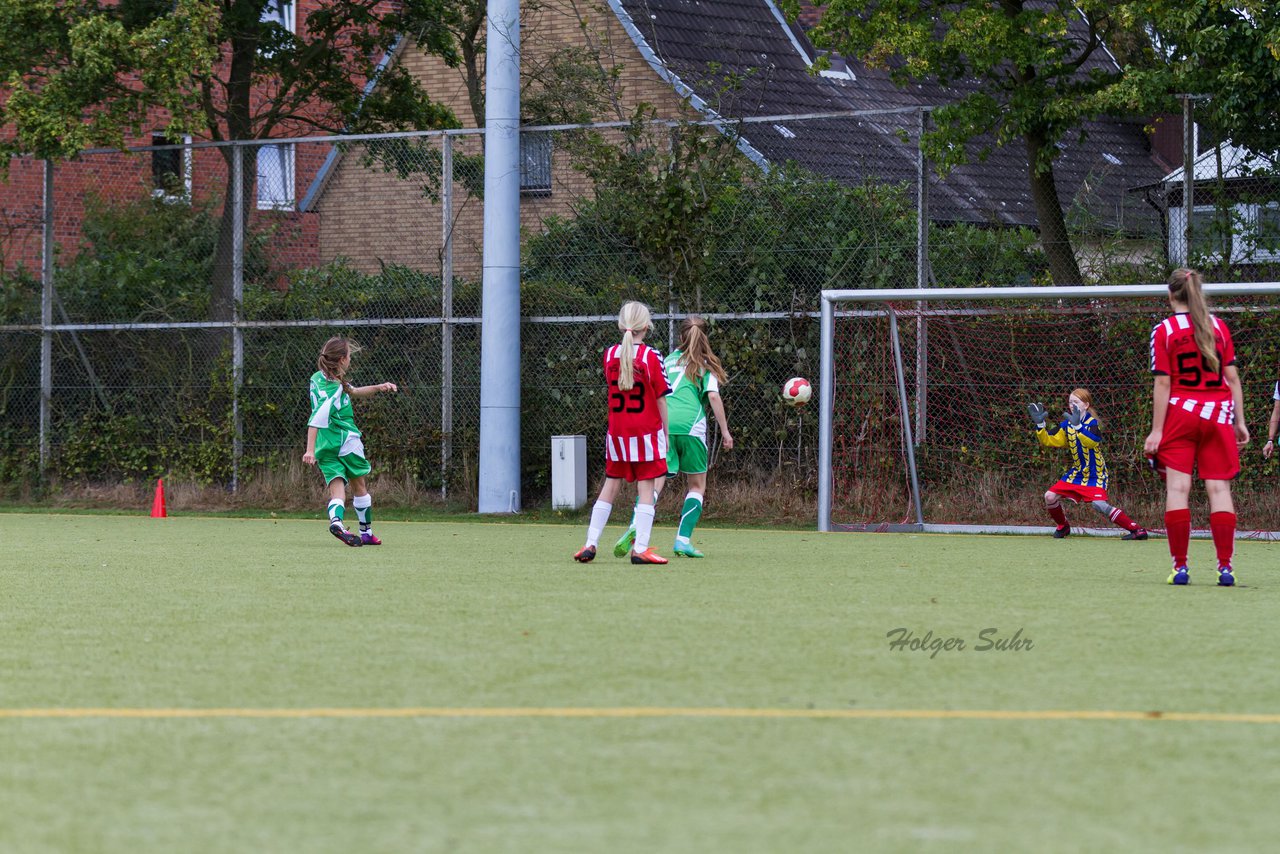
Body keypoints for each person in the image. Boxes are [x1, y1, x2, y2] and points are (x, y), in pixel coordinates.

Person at [1143, 268, 1249, 586]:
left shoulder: (1164, 330)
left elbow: (1163, 383)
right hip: (1218, 415)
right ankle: (1225, 568)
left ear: (1170, 295)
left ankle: (1181, 567)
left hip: (1181, 414)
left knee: (1178, 489)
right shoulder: (1218, 327)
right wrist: (1239, 421)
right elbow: (1232, 379)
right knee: (1219, 490)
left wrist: (1157, 430)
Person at [613, 316, 734, 558]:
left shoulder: (666, 360)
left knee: (655, 483)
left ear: (680, 337)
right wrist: (725, 431)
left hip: (663, 426)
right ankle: (682, 541)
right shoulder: (705, 363)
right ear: (704, 338)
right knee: (697, 486)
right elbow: (712, 396)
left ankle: (636, 524)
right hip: (691, 428)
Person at [573, 301, 672, 565]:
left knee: (610, 485)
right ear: (646, 326)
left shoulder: (609, 355)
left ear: (621, 324)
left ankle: (590, 543)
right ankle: (640, 548)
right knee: (646, 488)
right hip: (645, 432)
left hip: (617, 433)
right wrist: (666, 432)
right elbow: (661, 399)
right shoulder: (652, 356)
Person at [302, 337, 398, 547]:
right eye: (349, 356)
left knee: (337, 489)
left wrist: (378, 387)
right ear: (343, 359)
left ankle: (336, 522)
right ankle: (366, 532)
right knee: (359, 485)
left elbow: (353, 391)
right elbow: (316, 418)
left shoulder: (319, 378)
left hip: (325, 446)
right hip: (345, 439)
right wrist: (308, 449)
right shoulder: (335, 389)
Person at [1027, 389, 1148, 540]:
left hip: (1095, 473)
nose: (1072, 405)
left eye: (1076, 402)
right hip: (1078, 473)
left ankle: (1137, 530)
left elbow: (1092, 442)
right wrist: (1040, 425)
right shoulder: (1066, 424)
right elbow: (1050, 440)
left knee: (1099, 505)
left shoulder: (1092, 423)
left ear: (1086, 404)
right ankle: (1063, 527)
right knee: (1050, 497)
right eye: (1070, 402)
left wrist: (1078, 427)